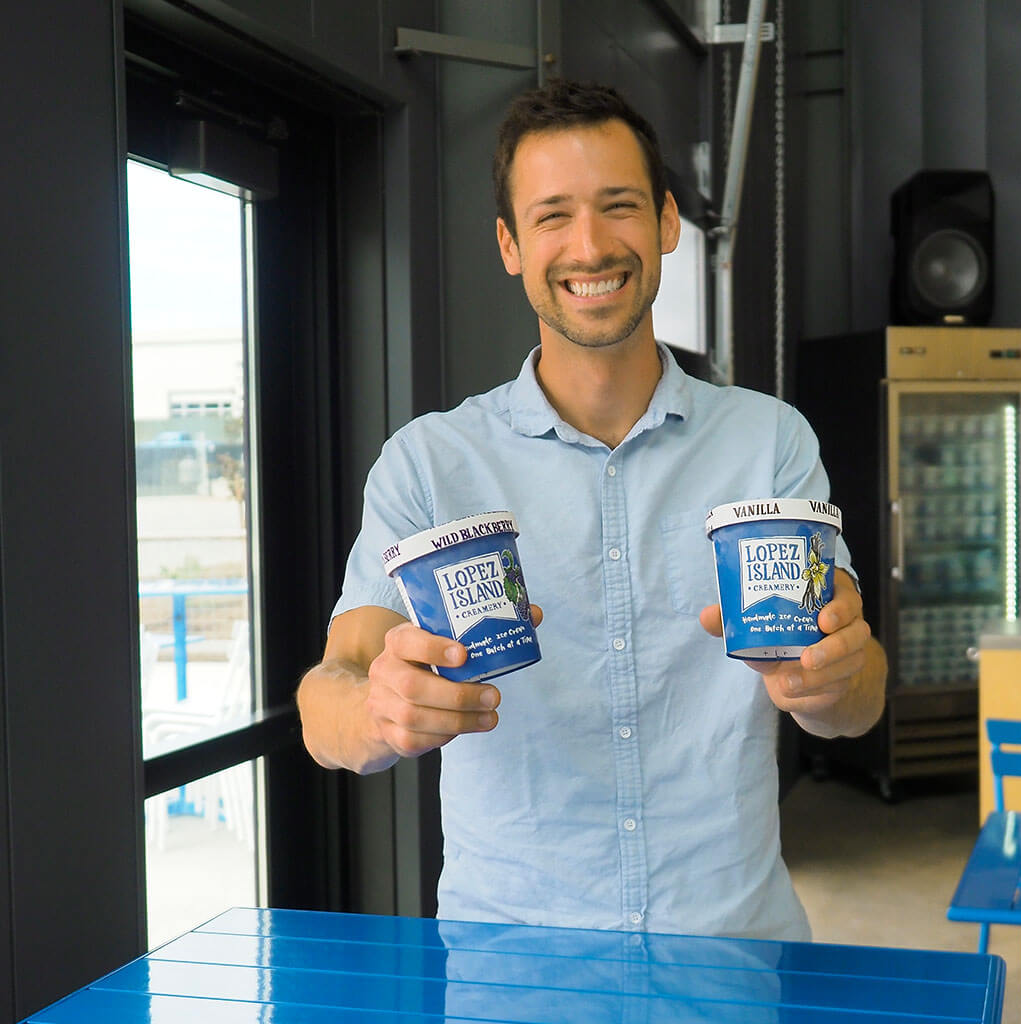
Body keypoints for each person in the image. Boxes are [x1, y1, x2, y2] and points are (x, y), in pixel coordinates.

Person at [296, 78, 886, 942]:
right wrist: (379, 712)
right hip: (511, 968)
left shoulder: (769, 443)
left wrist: (835, 682)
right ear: (509, 244)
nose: (590, 245)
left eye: (618, 207)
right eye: (552, 216)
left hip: (731, 955)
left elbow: (856, 695)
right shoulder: (430, 461)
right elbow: (328, 699)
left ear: (666, 224)